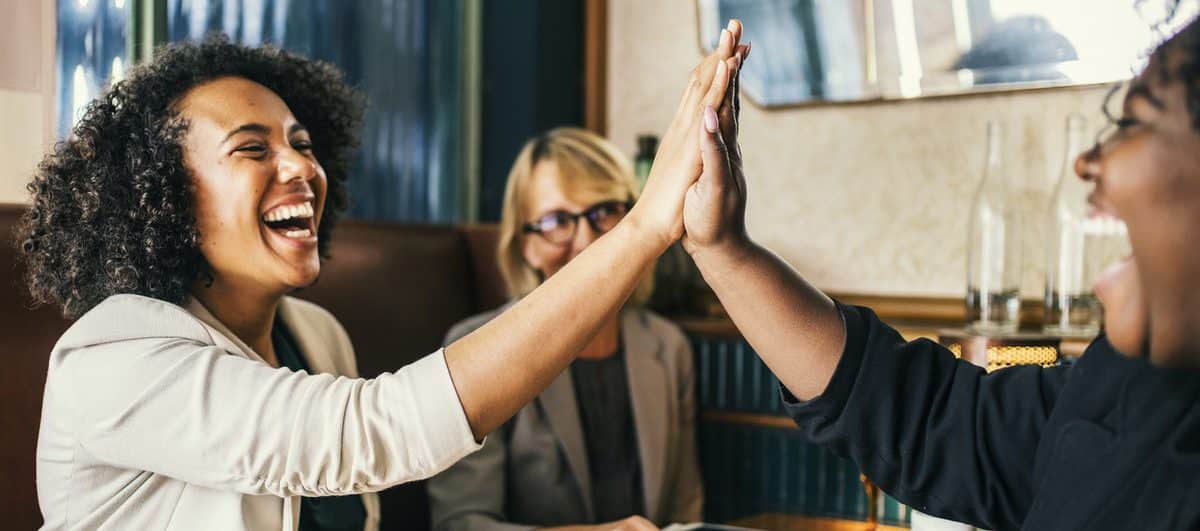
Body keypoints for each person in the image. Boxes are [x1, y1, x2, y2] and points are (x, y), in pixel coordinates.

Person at [22, 21, 748, 531]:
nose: (300, 166)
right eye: (252, 149)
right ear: (160, 196)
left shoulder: (318, 337)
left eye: (303, 144)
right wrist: (644, 227)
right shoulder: (112, 358)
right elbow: (376, 430)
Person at [681, 12, 1200, 531]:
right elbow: (947, 427)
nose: (1086, 162)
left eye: (1132, 123)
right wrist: (724, 250)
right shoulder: (1138, 387)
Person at [428, 128, 702, 531]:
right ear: (525, 245)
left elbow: (685, 510)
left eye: (603, 212)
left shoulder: (668, 346)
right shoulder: (471, 349)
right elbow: (460, 524)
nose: (587, 241)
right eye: (557, 221)